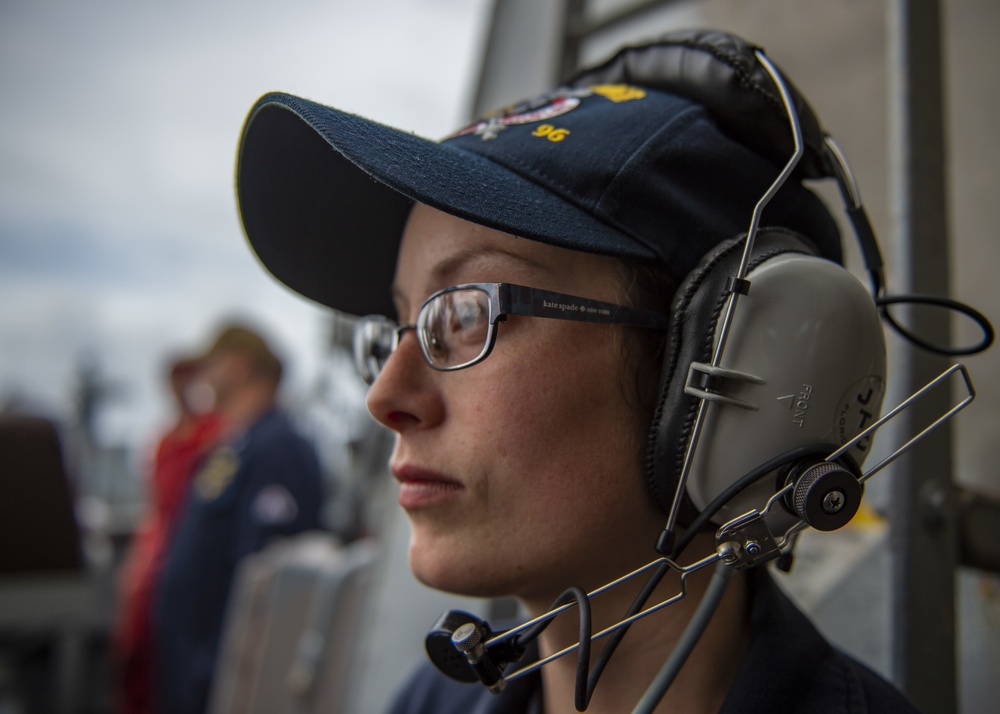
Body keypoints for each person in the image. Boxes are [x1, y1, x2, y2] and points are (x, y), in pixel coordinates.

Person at [233, 30, 921, 713]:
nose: (386, 398)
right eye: (396, 328)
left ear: (730, 370)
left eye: (466, 313)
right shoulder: (428, 702)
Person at [151, 323, 324, 714]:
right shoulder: (238, 445)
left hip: (220, 677)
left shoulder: (278, 446)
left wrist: (215, 672)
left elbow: (266, 582)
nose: (206, 378)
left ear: (240, 366)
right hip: (190, 670)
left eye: (212, 364)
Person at [114, 356, 224, 714]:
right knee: (141, 648)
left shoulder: (214, 433)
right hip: (158, 556)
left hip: (189, 552)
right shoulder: (165, 441)